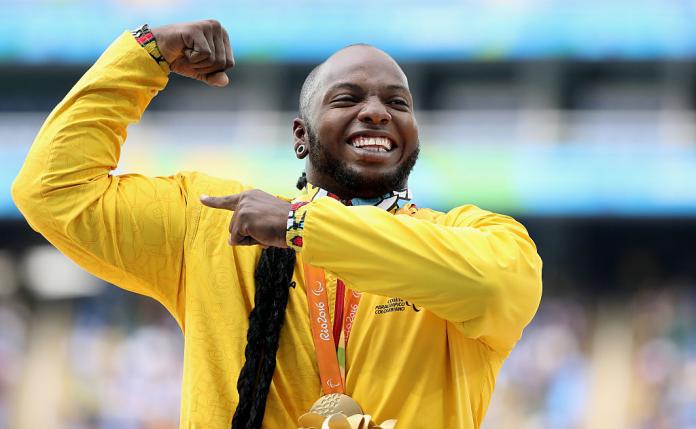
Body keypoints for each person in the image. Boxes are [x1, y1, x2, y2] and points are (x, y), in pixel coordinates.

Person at [12, 19, 543, 429]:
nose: (378, 113)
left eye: (397, 103)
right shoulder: (214, 223)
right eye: (348, 99)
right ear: (301, 136)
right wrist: (144, 53)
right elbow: (53, 190)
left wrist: (300, 224)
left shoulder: (474, 236)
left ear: (414, 136)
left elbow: (495, 285)